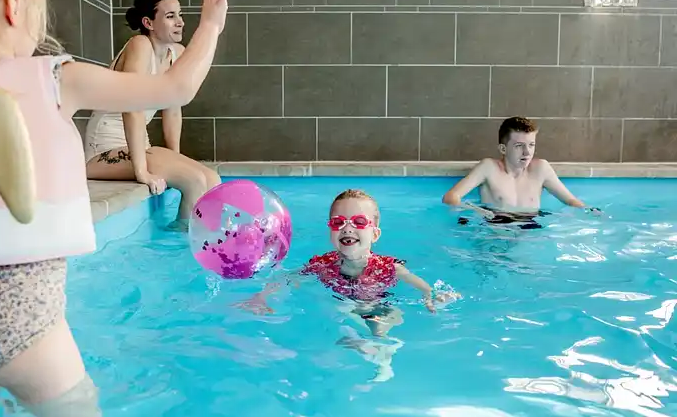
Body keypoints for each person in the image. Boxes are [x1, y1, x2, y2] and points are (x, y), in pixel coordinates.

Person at [0, 0, 227, 414]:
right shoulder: (54, 78)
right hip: (20, 316)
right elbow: (177, 87)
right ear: (13, 5)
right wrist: (210, 25)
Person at [238, 189, 460, 382]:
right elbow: (287, 278)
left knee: (381, 322)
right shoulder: (323, 264)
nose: (347, 228)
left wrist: (431, 296)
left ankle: (383, 360)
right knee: (337, 310)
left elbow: (422, 286)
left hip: (380, 304)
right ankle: (360, 340)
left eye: (359, 222)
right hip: (344, 302)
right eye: (338, 222)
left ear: (375, 234)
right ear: (331, 231)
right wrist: (261, 297)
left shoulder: (389, 266)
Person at [84, 0, 221, 228]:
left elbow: (173, 110)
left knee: (212, 180)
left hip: (139, 146)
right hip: (103, 150)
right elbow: (131, 107)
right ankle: (180, 247)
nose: (180, 22)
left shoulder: (176, 53)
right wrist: (141, 172)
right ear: (149, 23)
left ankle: (201, 238)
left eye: (180, 15)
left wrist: (175, 158)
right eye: (170, 16)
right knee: (194, 181)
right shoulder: (140, 45)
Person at [442, 116, 600, 229]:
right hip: (494, 229)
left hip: (531, 228)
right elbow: (451, 197)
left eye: (531, 145)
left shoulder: (541, 169)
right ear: (503, 149)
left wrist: (588, 212)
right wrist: (476, 212)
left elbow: (570, 200)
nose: (527, 152)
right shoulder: (489, 168)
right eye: (519, 146)